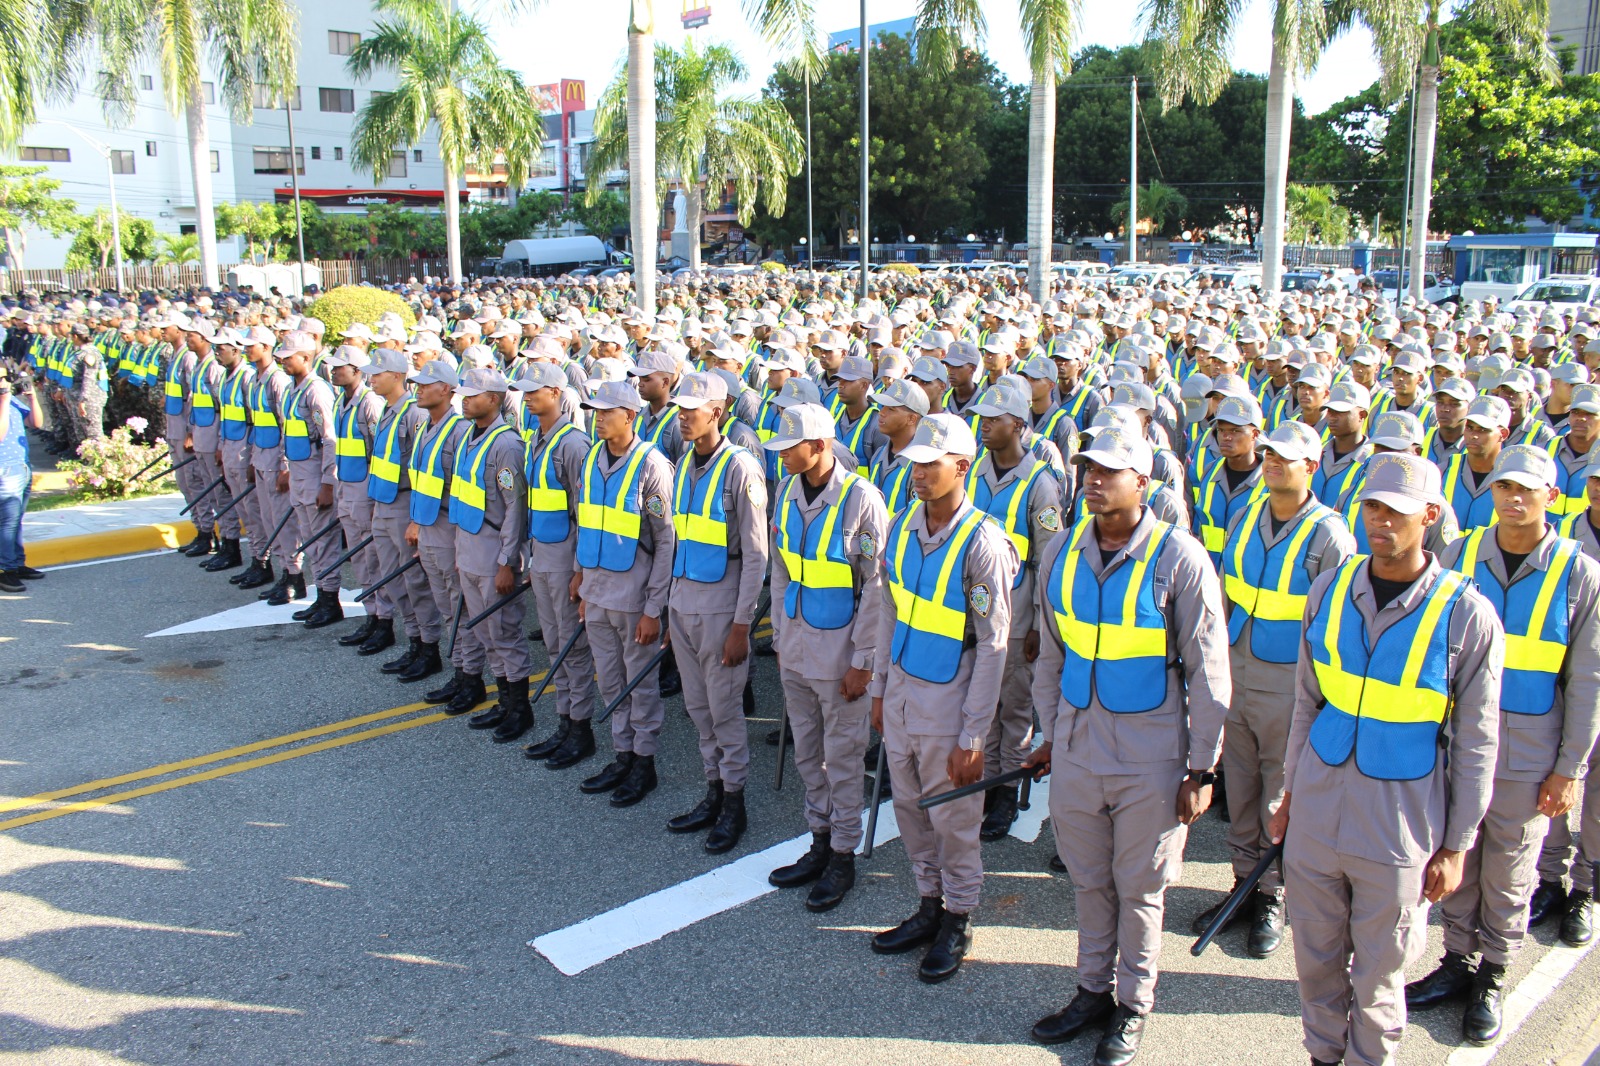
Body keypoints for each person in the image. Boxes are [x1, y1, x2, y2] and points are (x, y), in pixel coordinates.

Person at [1271, 452, 1503, 1066]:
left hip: (1400, 820)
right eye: (1372, 507)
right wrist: (1290, 794)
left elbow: (1478, 742)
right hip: (1319, 808)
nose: (1381, 521)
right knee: (1316, 964)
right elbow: (1306, 703)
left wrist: (1456, 845)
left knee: (1379, 979)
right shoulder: (1330, 587)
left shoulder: (1466, 614)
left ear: (1430, 516)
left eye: (1397, 512)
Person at [1025, 426, 1230, 1065]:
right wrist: (1048, 733)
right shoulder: (1060, 549)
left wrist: (1202, 768)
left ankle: (1133, 1006)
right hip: (1080, 744)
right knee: (1089, 880)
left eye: (1108, 471)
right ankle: (1092, 990)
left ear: (1142, 483)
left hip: (1152, 753)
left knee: (1140, 888)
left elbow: (1209, 670)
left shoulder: (1181, 558)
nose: (1092, 479)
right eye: (1087, 469)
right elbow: (1051, 655)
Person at [1405, 446, 1600, 1044]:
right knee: (1453, 855)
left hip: (1528, 750)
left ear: (1551, 497)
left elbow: (1588, 678)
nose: (1514, 500)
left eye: (1528, 490)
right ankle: (1457, 961)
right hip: (1458, 744)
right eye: (1504, 488)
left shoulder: (1578, 571)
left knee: (1510, 866)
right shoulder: (1459, 553)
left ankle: (1493, 971)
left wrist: (1570, 767)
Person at [868, 412, 1018, 984]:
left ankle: (958, 915)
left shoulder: (983, 543)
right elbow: (889, 611)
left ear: (962, 466)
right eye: (914, 465)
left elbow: (994, 646)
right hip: (904, 694)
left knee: (954, 819)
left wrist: (974, 735)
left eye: (931, 465)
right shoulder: (904, 523)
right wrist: (880, 688)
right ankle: (928, 904)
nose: (919, 475)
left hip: (950, 706)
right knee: (908, 810)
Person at [1201, 420, 1355, 958]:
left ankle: (1274, 894)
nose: (1270, 464)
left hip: (1292, 684)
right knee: (1239, 787)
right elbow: (1224, 591)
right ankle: (1243, 883)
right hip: (1238, 670)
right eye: (1268, 456)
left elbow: (1338, 622)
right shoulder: (1246, 515)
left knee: (1279, 792)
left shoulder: (1330, 534)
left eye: (1284, 459)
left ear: (1310, 468)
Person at [766, 401, 889, 911]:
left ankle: (842, 854)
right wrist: (777, 633)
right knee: (807, 753)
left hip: (841, 655)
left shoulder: (861, 499)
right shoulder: (787, 490)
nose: (782, 457)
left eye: (790, 448)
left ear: (818, 446)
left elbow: (876, 587)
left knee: (841, 758)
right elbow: (781, 569)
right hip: (795, 646)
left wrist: (864, 661)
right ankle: (818, 839)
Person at [662, 372, 769, 852]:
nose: (683, 416)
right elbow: (675, 540)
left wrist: (742, 624)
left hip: (722, 605)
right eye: (680, 408)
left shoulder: (740, 469)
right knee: (698, 708)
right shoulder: (684, 462)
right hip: (684, 602)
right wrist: (667, 604)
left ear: (718, 412)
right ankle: (713, 789)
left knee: (724, 710)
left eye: (693, 409)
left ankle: (734, 801)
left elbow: (756, 555)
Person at [573, 380, 677, 807]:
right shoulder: (593, 455)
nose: (598, 418)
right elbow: (587, 520)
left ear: (630, 416)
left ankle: (644, 763)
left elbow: (667, 540)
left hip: (635, 598)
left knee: (640, 684)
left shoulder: (652, 464)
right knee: (611, 680)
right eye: (595, 411)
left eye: (606, 412)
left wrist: (655, 608)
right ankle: (622, 755)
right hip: (597, 593)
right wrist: (581, 580)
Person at [967, 383, 1063, 840]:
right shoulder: (971, 473)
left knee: (1015, 708)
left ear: (1019, 426)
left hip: (1020, 607)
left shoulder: (1039, 482)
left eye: (995, 419)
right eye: (982, 418)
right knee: (981, 703)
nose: (985, 425)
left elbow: (1049, 558)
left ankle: (1007, 789)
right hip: (975, 609)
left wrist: (1042, 622)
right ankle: (986, 783)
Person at [518, 362, 600, 768]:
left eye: (536, 391)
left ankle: (580, 727)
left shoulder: (573, 445)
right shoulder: (539, 438)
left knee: (573, 647)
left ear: (555, 393)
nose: (528, 397)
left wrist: (581, 571)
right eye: (526, 392)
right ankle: (565, 721)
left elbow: (583, 514)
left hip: (566, 560)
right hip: (544, 556)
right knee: (555, 644)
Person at [449, 366, 534, 743]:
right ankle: (503, 701)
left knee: (504, 632)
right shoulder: (470, 435)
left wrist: (508, 562)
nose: (465, 400)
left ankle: (520, 708)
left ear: (495, 400)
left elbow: (515, 508)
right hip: (469, 549)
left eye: (473, 395)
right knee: (485, 631)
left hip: (492, 554)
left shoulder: (506, 444)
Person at [364, 347, 440, 680]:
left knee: (415, 580)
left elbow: (424, 469)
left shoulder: (414, 413)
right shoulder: (388, 409)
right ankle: (414, 639)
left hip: (405, 503)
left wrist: (416, 518)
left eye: (377, 374)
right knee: (393, 576)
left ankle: (429, 646)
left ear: (397, 376)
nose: (372, 379)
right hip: (384, 502)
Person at [324, 346, 389, 652]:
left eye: (340, 367)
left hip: (365, 493)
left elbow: (380, 452)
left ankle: (385, 620)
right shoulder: (342, 401)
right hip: (347, 490)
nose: (334, 371)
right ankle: (371, 615)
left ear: (357, 370)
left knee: (374, 560)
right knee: (360, 560)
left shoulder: (369, 403)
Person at [0, 369, 44, 592]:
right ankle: (4, 570)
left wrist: (32, 398)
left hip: (22, 465)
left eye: (6, 379)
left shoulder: (13, 402)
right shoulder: (4, 402)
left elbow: (36, 423)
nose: (5, 383)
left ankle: (17, 564)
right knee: (6, 523)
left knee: (16, 520)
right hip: (4, 468)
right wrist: (4, 400)